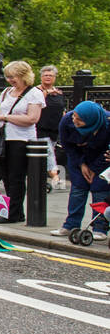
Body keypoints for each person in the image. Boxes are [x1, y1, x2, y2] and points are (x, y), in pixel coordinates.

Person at [0, 60, 43, 224]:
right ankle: (8, 211)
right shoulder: (6, 92)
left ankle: (14, 213)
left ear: (23, 76)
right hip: (4, 139)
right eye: (8, 77)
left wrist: (5, 117)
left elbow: (32, 118)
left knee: (16, 177)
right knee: (5, 177)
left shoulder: (34, 93)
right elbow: (0, 113)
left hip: (22, 139)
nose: (10, 80)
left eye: (13, 77)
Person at [51, 101, 110, 241]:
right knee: (78, 190)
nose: (74, 120)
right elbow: (67, 146)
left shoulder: (107, 122)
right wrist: (82, 164)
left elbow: (107, 150)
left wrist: (94, 169)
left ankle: (100, 228)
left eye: (79, 119)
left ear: (91, 120)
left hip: (102, 160)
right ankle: (70, 225)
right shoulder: (66, 121)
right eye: (75, 116)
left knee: (100, 191)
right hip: (78, 159)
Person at [35, 65, 66, 190]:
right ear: (41, 77)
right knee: (48, 152)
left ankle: (40, 181)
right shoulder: (36, 91)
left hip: (54, 129)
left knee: (48, 154)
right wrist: (46, 93)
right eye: (45, 75)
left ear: (55, 78)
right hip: (40, 128)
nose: (48, 77)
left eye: (51, 75)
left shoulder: (58, 92)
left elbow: (61, 109)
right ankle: (55, 177)